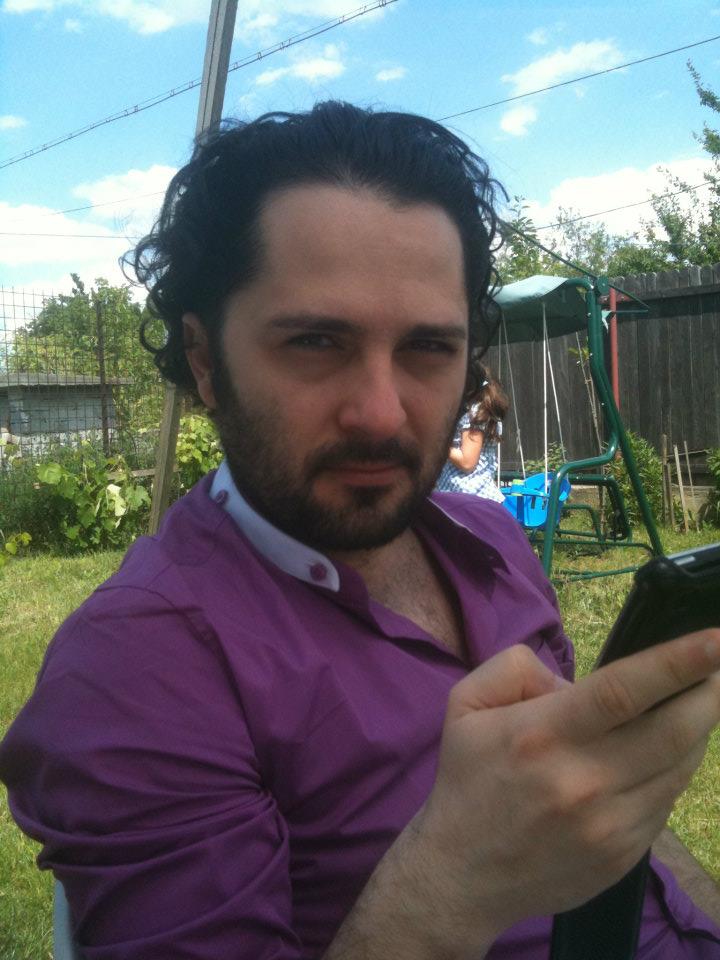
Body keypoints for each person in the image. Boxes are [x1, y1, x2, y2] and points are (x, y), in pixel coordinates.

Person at [1, 101, 720, 960]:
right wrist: (451, 884)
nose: (381, 413)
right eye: (316, 341)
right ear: (204, 360)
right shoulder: (139, 667)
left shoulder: (490, 542)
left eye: (427, 349)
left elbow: (609, 814)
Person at [436, 354, 508, 502]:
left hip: (467, 497)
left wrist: (436, 445)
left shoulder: (475, 413)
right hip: (466, 495)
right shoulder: (477, 409)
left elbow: (467, 462)